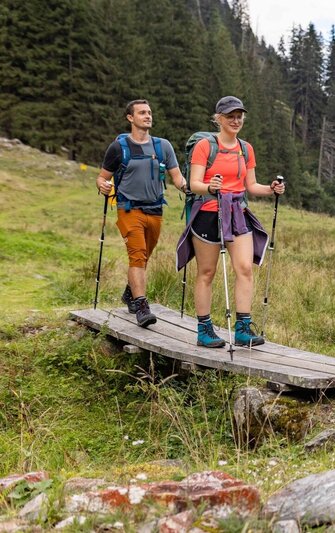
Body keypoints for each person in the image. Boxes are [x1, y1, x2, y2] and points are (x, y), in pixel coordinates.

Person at [175, 96, 285, 348]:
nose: (236, 121)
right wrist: (210, 188)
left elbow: (251, 186)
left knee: (245, 268)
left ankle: (243, 330)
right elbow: (194, 184)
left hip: (237, 213)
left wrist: (271, 188)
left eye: (239, 116)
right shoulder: (205, 146)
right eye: (230, 116)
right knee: (207, 272)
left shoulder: (246, 149)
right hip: (208, 213)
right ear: (219, 118)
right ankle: (204, 330)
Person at [96, 99, 186, 327]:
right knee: (137, 256)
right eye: (142, 113)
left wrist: (192, 188)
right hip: (128, 209)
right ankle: (142, 307)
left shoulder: (162, 146)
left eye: (149, 112)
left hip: (155, 210)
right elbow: (102, 176)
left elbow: (177, 179)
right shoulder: (119, 147)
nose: (148, 116)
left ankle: (129, 293)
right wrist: (102, 186)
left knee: (144, 257)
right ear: (130, 118)